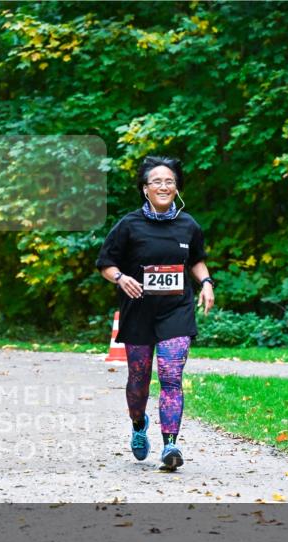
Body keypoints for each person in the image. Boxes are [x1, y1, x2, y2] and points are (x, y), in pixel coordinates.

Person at [95, 156, 215, 471]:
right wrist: (121, 278)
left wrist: (206, 283)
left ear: (177, 188)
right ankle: (138, 423)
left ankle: (170, 445)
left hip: (176, 311)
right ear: (145, 189)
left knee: (171, 376)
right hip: (138, 311)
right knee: (138, 379)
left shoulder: (188, 225)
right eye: (157, 182)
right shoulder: (129, 225)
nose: (164, 186)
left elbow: (197, 260)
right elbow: (106, 263)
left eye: (169, 181)